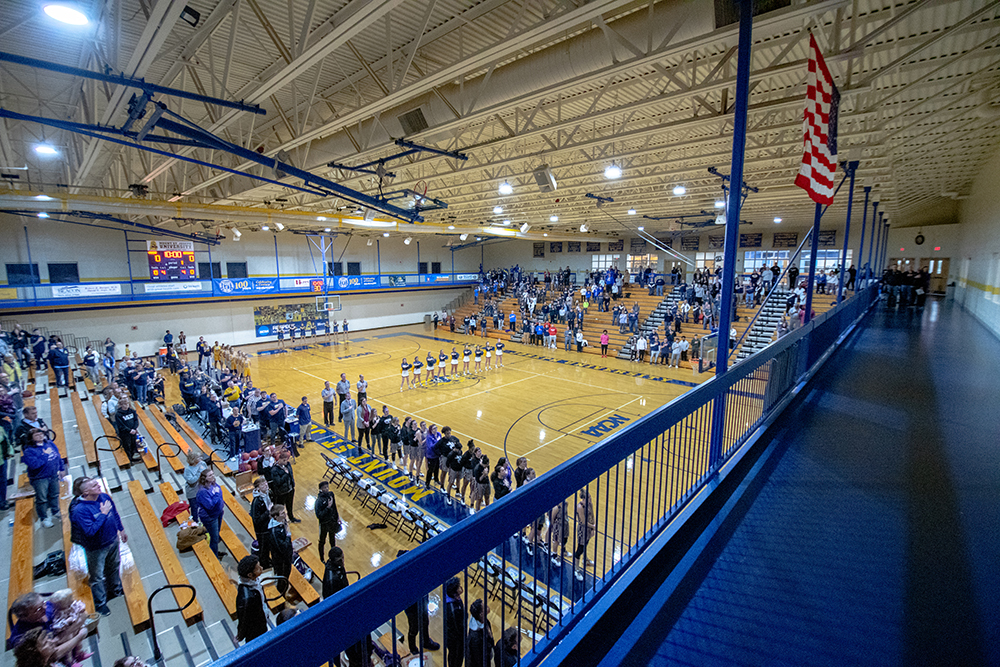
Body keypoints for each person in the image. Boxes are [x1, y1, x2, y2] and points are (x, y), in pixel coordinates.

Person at [71, 478, 126, 615]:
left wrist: (121, 529)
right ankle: (100, 603)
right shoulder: (79, 510)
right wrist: (102, 514)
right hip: (96, 548)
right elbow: (90, 532)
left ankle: (116, 590)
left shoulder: (104, 497)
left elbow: (114, 514)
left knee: (114, 566)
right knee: (97, 576)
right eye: (94, 485)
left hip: (112, 540)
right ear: (85, 492)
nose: (99, 485)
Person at [398, 550, 440, 653]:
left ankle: (426, 642)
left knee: (425, 622)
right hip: (412, 608)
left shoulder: (416, 569)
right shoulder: (401, 577)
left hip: (422, 602)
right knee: (414, 628)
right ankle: (413, 649)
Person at [22, 428, 64, 527]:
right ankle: (44, 518)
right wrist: (45, 455)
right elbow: (34, 465)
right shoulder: (29, 451)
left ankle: (55, 511)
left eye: (41, 434)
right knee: (42, 499)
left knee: (54, 494)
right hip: (40, 478)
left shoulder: (49, 444)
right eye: (36, 435)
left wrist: (61, 468)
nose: (40, 436)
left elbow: (57, 456)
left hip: (53, 474)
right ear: (31, 438)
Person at [235, 555, 268, 643]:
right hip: (256, 628)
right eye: (258, 568)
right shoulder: (246, 598)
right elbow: (243, 618)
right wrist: (240, 635)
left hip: (262, 616)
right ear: (249, 574)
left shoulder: (254, 581)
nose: (261, 568)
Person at [197, 469, 225, 559]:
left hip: (218, 513)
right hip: (210, 517)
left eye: (213, 474)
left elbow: (219, 495)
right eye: (210, 475)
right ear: (204, 478)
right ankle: (214, 557)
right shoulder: (202, 491)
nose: (213, 476)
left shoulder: (213, 484)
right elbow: (209, 505)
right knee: (214, 537)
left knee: (216, 535)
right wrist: (216, 495)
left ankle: (215, 551)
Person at [268, 504, 294, 595]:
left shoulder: (282, 522)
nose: (285, 514)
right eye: (282, 513)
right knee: (283, 578)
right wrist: (288, 536)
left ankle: (283, 590)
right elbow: (282, 548)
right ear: (276, 516)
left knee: (286, 576)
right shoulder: (274, 531)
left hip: (287, 556)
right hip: (281, 560)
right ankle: (281, 594)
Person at [270, 448, 299, 522]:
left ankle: (291, 518)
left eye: (287, 460)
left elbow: (291, 475)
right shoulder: (274, 469)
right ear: (279, 459)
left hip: (290, 489)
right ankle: (279, 520)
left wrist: (292, 485)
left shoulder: (288, 464)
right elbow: (278, 482)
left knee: (290, 505)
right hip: (281, 492)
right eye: (284, 460)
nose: (286, 462)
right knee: (280, 507)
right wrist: (285, 474)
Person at [250, 477, 273, 568]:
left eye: (266, 483)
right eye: (262, 485)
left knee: (268, 547)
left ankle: (267, 560)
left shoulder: (268, 494)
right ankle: (264, 565)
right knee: (263, 549)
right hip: (262, 530)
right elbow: (256, 520)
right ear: (257, 488)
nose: (266, 485)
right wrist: (268, 511)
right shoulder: (256, 501)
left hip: (268, 526)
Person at [573, 489, 596, 581]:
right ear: (584, 498)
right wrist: (593, 526)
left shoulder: (590, 504)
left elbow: (593, 516)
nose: (590, 499)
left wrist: (593, 528)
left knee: (586, 545)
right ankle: (576, 569)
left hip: (589, 528)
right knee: (580, 549)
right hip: (583, 530)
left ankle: (585, 560)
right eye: (589, 498)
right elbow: (583, 521)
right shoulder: (580, 507)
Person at [315, 481, 341, 562]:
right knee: (322, 541)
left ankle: (334, 556)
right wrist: (327, 508)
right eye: (324, 487)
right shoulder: (318, 501)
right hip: (324, 524)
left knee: (332, 539)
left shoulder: (331, 495)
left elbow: (334, 507)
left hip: (332, 522)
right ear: (320, 489)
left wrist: (338, 518)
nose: (326, 489)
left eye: (327, 487)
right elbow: (319, 515)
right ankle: (322, 558)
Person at [443, 577, 466, 667]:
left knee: (453, 656)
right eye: (458, 587)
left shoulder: (454, 598)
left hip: (455, 634)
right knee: (457, 657)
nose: (460, 588)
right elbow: (458, 627)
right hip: (455, 638)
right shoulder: (453, 609)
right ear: (454, 592)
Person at [467, 598, 493, 667]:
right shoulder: (475, 637)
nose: (488, 607)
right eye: (485, 607)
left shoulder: (484, 621)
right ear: (481, 614)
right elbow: (478, 658)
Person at [183, 450, 208, 522]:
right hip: (192, 492)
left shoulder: (202, 463)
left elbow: (207, 472)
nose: (201, 458)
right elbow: (191, 481)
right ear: (193, 460)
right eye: (199, 457)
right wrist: (199, 473)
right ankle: (195, 522)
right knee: (194, 508)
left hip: (202, 489)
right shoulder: (188, 469)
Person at [115, 395, 142, 461]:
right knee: (127, 446)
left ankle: (134, 456)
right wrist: (129, 430)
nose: (126, 405)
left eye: (127, 404)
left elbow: (136, 420)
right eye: (124, 404)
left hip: (133, 432)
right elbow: (121, 425)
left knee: (134, 444)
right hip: (125, 434)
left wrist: (134, 428)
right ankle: (129, 459)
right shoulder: (118, 414)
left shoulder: (132, 411)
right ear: (121, 405)